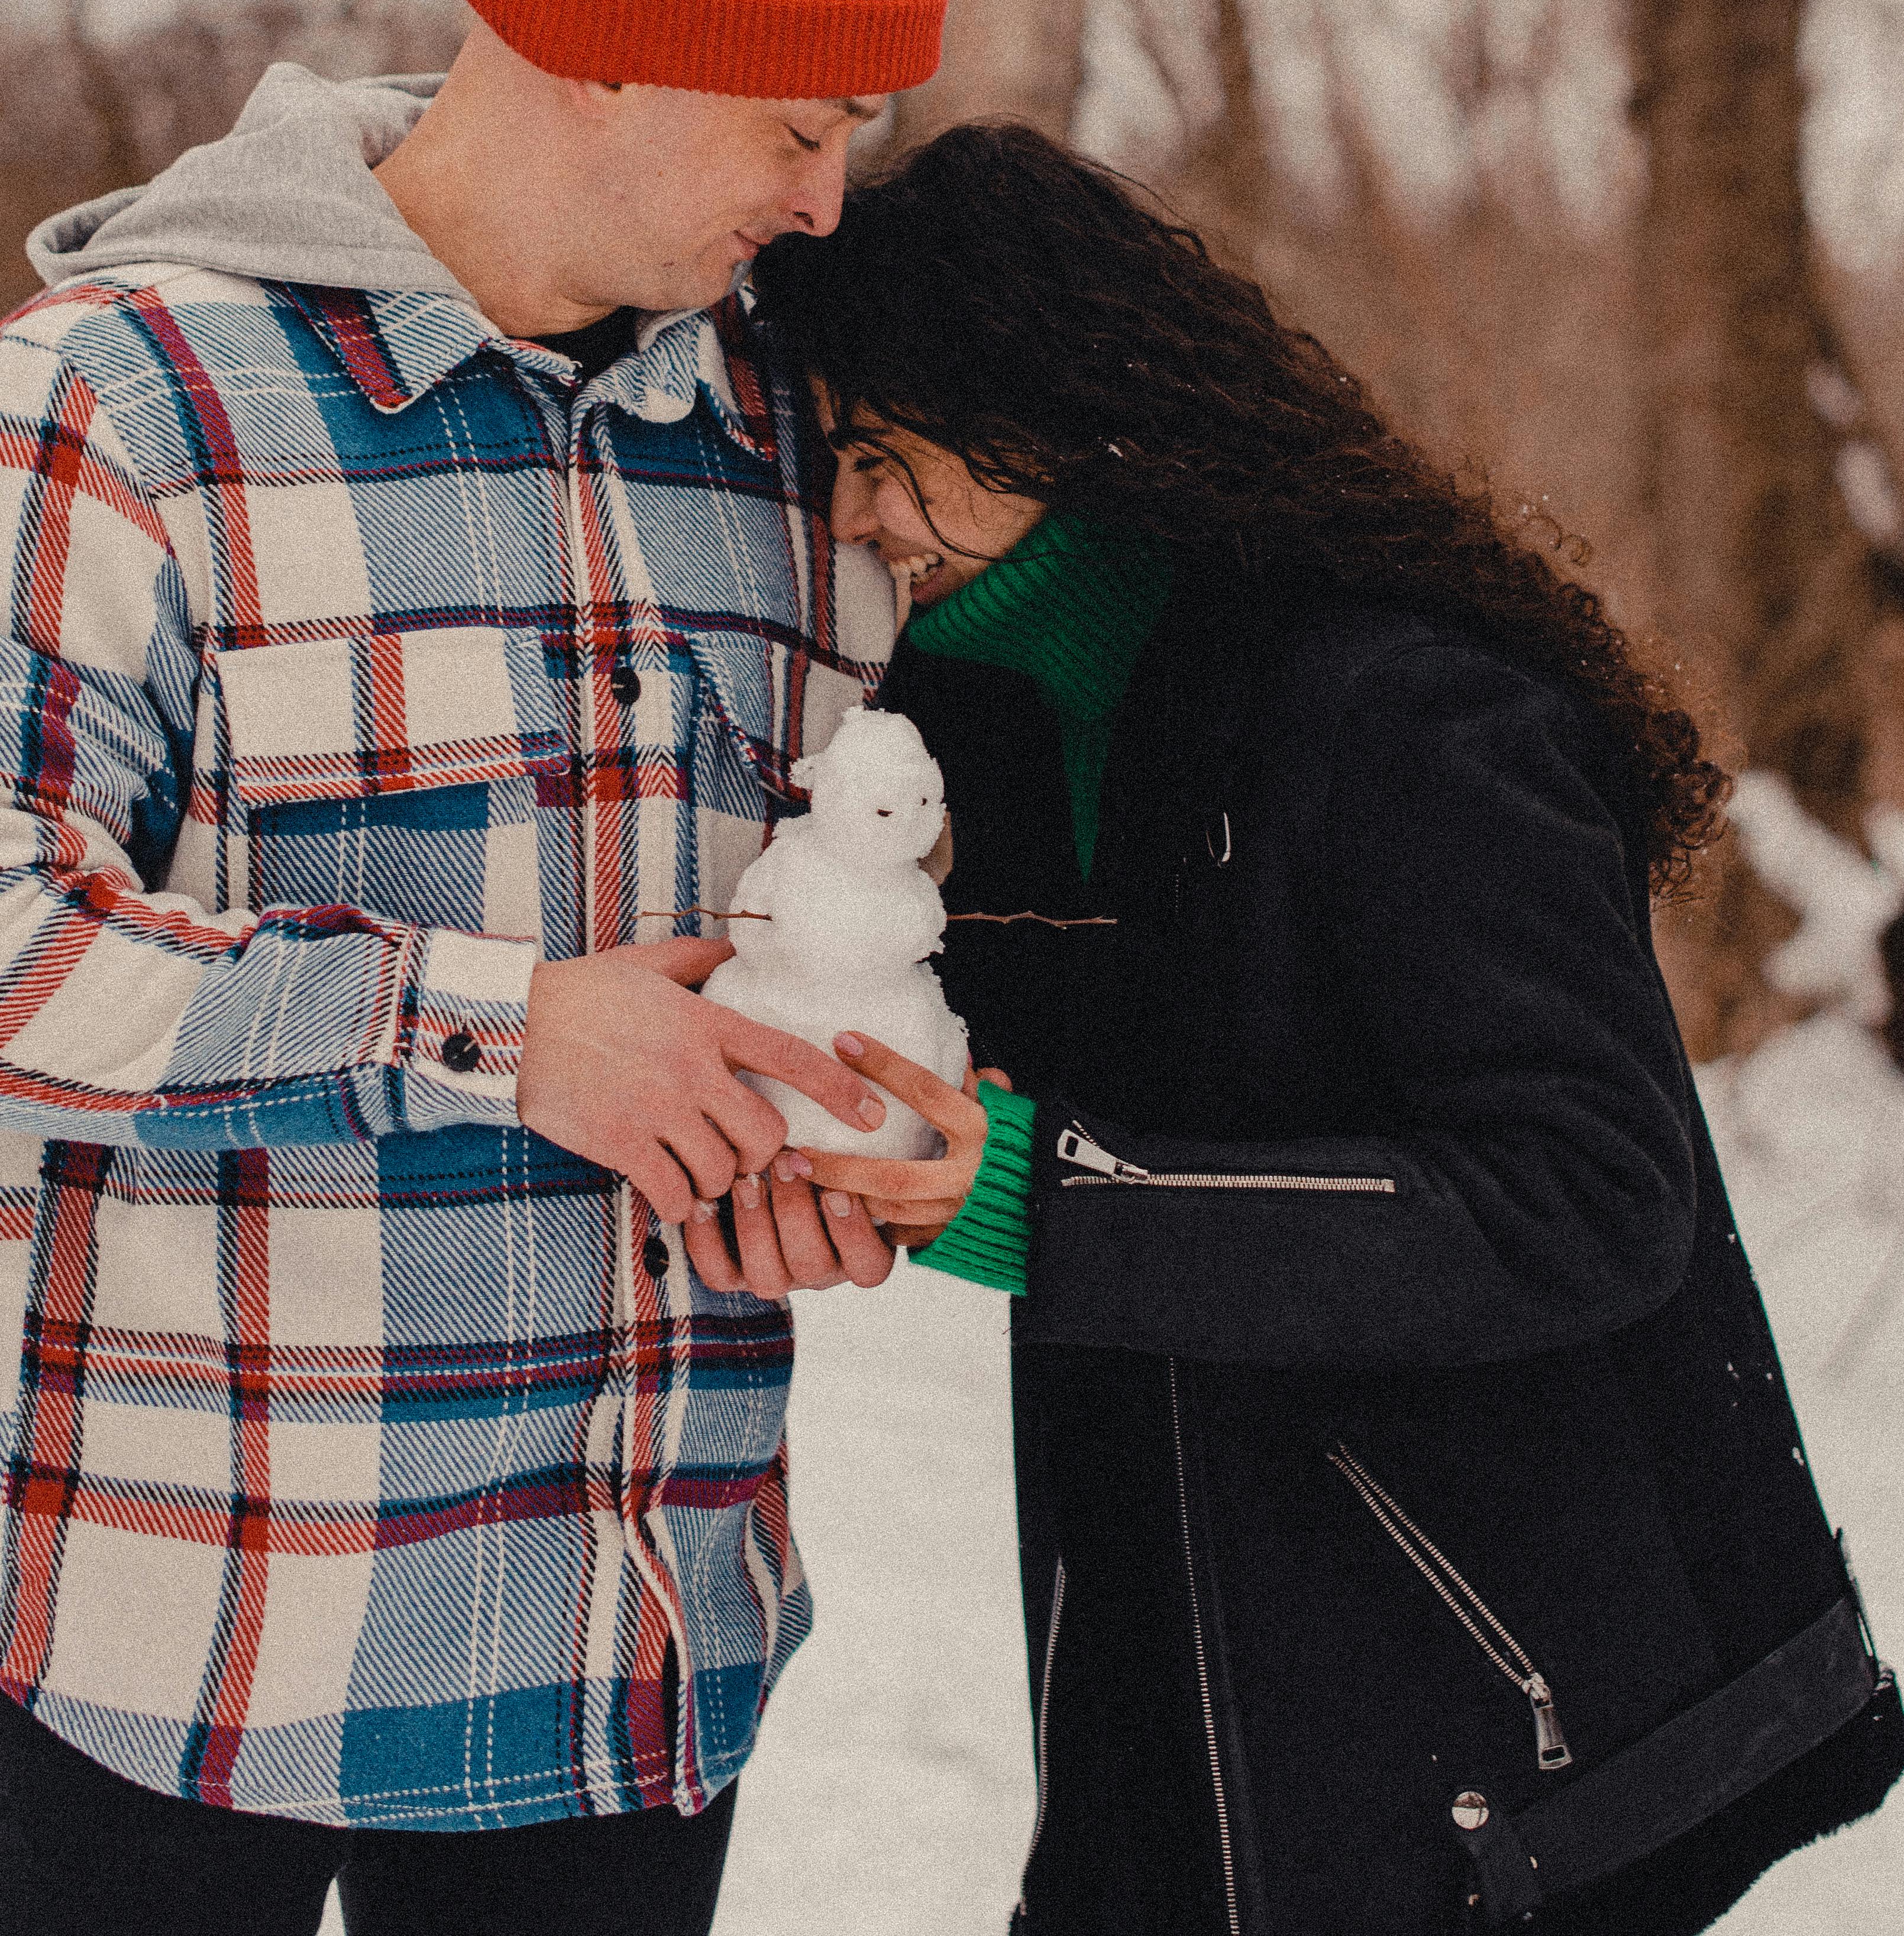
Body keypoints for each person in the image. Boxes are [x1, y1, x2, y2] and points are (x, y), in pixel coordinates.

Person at [0, 0, 943, 1934]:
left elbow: (868, 904)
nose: (826, 196)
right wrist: (508, 1031)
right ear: (599, 47)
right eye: (796, 125)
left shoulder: (802, 460)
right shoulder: (119, 406)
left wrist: (869, 1113)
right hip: (176, 1652)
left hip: (627, 1669)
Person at [748, 121, 1904, 1936]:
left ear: (1051, 401)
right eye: (832, 461)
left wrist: (1044, 1204)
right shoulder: (998, 737)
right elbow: (1067, 1135)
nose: (855, 516)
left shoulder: (1403, 710)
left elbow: (1589, 1192)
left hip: (1490, 1732)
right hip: (1171, 1698)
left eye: (885, 451)